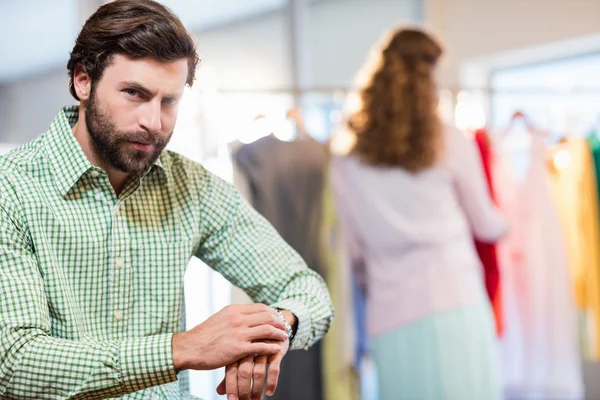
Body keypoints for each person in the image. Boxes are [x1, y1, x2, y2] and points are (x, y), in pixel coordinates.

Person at [0, 1, 334, 399]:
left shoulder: (192, 186)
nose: (153, 122)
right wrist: (187, 348)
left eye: (168, 101)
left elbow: (307, 289)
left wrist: (274, 330)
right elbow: (15, 362)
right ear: (83, 81)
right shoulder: (12, 190)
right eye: (134, 94)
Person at [330, 28, 506, 400]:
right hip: (454, 299)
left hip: (390, 311)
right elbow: (488, 225)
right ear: (428, 79)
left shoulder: (346, 158)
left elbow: (355, 251)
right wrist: (516, 220)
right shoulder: (450, 141)